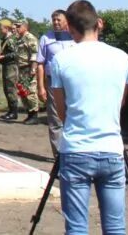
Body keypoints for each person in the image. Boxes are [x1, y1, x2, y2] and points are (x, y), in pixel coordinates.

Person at [52, 0, 128, 234]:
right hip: (111, 148)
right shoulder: (122, 58)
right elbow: (120, 102)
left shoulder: (61, 60)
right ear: (99, 23)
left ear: (70, 28)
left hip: (76, 149)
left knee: (77, 228)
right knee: (116, 227)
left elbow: (61, 110)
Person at [37, 9, 77, 154]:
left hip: (72, 82)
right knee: (55, 119)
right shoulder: (46, 38)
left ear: (66, 21)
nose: (55, 22)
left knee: (74, 116)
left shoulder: (75, 37)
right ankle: (58, 155)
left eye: (58, 19)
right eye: (53, 20)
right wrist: (41, 87)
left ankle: (73, 151)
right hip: (53, 82)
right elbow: (40, 64)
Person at [15, 19, 40, 122]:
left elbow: (34, 54)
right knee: (23, 92)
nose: (17, 28)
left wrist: (33, 68)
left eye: (19, 26)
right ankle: (29, 113)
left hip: (28, 68)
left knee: (30, 92)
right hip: (21, 69)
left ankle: (34, 114)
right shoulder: (19, 39)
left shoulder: (30, 38)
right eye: (16, 26)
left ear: (25, 27)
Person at [0, 19, 20, 121]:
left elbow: (15, 54)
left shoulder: (11, 40)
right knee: (6, 88)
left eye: (1, 28)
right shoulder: (5, 39)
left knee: (11, 88)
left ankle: (14, 112)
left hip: (11, 66)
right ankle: (11, 110)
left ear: (6, 28)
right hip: (6, 66)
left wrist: (4, 56)